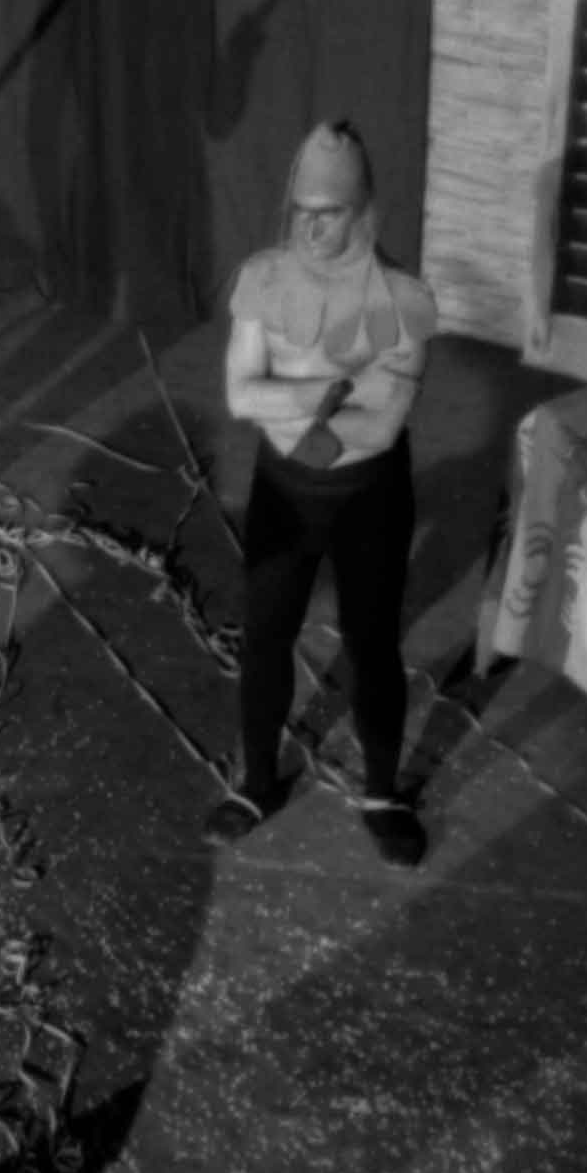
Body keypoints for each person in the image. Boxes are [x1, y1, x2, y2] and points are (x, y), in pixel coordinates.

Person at [203, 121, 436, 867]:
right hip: (283, 489)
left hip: (367, 494)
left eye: (328, 210)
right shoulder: (262, 279)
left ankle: (381, 791)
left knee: (370, 641)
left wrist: (287, 394)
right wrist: (333, 388)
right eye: (301, 206)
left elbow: (384, 417)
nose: (309, 223)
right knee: (266, 634)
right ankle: (258, 780)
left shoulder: (402, 296)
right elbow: (239, 396)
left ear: (361, 211)